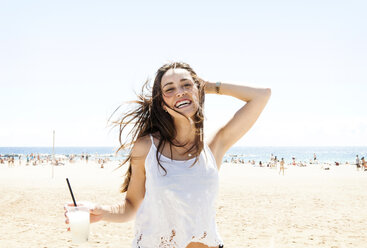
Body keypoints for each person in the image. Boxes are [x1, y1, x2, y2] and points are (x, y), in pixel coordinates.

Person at [64, 62, 271, 248]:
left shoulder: (213, 147)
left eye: (186, 85)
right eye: (170, 89)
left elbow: (262, 95)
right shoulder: (146, 148)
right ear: (162, 103)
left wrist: (208, 86)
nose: (180, 92)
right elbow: (131, 206)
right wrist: (101, 211)